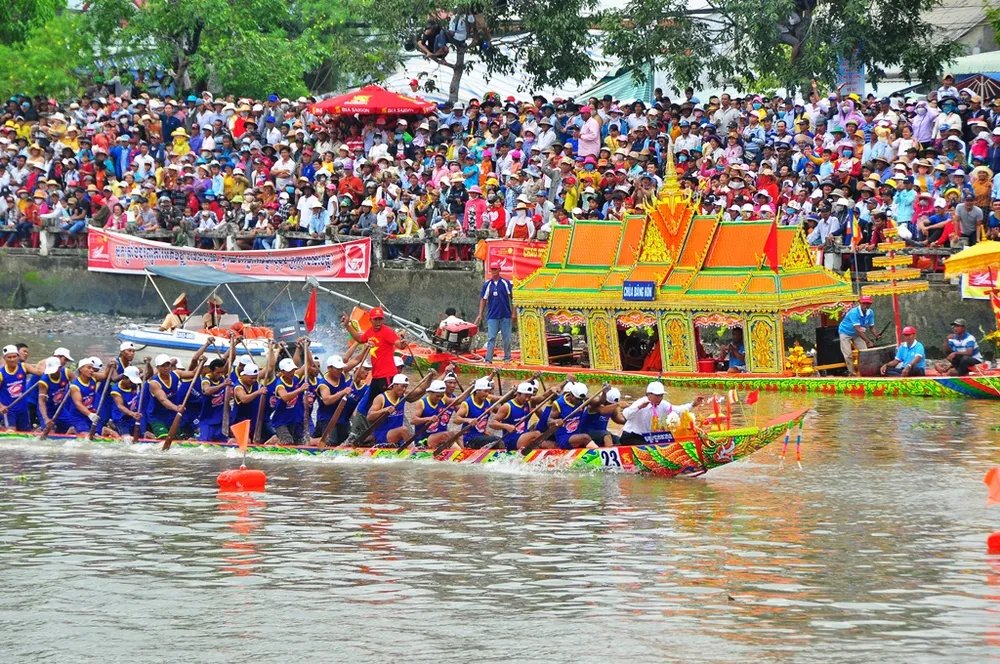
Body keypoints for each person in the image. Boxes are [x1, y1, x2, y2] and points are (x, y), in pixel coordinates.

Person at [341, 307, 408, 405]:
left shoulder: (387, 331)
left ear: (383, 320)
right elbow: (360, 339)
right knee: (371, 403)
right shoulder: (370, 331)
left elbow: (398, 343)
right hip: (376, 376)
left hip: (387, 375)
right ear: (370, 320)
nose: (378, 322)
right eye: (375, 319)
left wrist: (402, 345)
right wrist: (347, 325)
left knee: (386, 403)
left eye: (380, 319)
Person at [619, 381, 704, 447]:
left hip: (648, 436)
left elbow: (677, 411)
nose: (660, 398)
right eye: (657, 395)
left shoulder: (663, 404)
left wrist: (693, 404)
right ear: (648, 395)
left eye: (661, 395)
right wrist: (639, 407)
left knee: (669, 439)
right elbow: (626, 414)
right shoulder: (640, 402)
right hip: (631, 437)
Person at [146, 353, 203, 439]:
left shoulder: (176, 374)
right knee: (164, 438)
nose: (166, 368)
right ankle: (151, 437)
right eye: (163, 366)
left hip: (172, 415)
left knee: (176, 440)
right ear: (157, 368)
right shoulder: (154, 383)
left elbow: (194, 373)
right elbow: (163, 400)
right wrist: (176, 408)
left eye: (168, 365)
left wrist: (201, 363)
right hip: (157, 416)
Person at [474, 261, 513, 364]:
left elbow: (513, 298)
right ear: (490, 271)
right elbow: (483, 299)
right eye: (492, 269)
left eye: (496, 269)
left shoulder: (506, 283)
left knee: (507, 338)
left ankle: (507, 358)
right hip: (492, 316)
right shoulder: (487, 285)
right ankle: (488, 359)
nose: (494, 271)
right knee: (491, 338)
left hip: (505, 315)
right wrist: (480, 314)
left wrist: (513, 313)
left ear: (499, 270)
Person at [0, 343, 45, 431]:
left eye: (14, 357)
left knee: (26, 432)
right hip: (8, 409)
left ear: (18, 357)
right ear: (5, 358)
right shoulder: (1, 373)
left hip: (23, 408)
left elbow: (39, 372)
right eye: (9, 357)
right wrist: (1, 406)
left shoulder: (24, 366)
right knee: (11, 432)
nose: (12, 360)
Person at [269, 355, 311, 446]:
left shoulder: (295, 377)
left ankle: (277, 438)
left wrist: (306, 347)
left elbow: (309, 364)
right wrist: (300, 389)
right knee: (287, 442)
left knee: (300, 442)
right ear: (282, 372)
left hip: (293, 419)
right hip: (280, 421)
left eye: (293, 370)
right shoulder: (280, 385)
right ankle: (275, 440)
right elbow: (285, 397)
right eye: (289, 371)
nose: (292, 373)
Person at [452, 377, 498, 449]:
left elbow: (504, 399)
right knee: (496, 440)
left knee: (499, 440)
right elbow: (455, 420)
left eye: (488, 392)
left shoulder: (488, 400)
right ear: (477, 391)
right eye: (485, 391)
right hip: (469, 438)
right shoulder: (467, 403)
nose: (487, 394)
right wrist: (468, 420)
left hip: (481, 436)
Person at [366, 374, 411, 447]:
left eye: (406, 387)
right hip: (382, 434)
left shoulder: (403, 397)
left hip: (395, 434)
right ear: (394, 385)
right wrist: (384, 410)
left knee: (405, 431)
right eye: (402, 386)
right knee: (404, 430)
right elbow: (369, 416)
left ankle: (405, 447)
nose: (404, 390)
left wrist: (428, 380)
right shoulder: (381, 398)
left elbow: (419, 392)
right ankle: (411, 451)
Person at [489, 381, 535, 451]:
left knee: (538, 428)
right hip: (510, 440)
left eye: (530, 396)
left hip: (523, 436)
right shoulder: (507, 406)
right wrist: (506, 426)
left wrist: (551, 391)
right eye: (526, 396)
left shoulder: (528, 403)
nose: (527, 399)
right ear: (518, 394)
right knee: (536, 435)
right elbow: (492, 423)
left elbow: (543, 397)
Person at [838, 295, 877, 376]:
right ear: (860, 303)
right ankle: (852, 373)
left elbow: (872, 328)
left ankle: (865, 371)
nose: (865, 305)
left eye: (868, 304)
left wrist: (876, 335)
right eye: (863, 303)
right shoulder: (854, 313)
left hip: (857, 334)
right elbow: (858, 330)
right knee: (848, 355)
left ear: (871, 304)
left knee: (865, 352)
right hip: (845, 332)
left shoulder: (871, 313)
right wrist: (868, 341)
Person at [410, 379, 454, 448]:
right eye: (437, 396)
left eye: (441, 396)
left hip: (438, 437)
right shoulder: (421, 403)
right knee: (446, 435)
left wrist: (471, 389)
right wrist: (428, 419)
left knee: (455, 434)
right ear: (431, 392)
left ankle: (463, 451)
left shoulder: (443, 400)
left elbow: (459, 400)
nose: (439, 398)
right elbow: (412, 420)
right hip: (423, 440)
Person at [109, 366, 145, 436]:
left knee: (143, 434)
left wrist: (148, 364)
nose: (133, 384)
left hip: (132, 418)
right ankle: (110, 428)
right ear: (124, 378)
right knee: (127, 438)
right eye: (131, 381)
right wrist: (132, 414)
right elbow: (120, 406)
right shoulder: (116, 390)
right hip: (121, 419)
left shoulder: (133, 384)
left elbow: (148, 374)